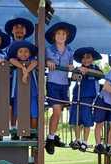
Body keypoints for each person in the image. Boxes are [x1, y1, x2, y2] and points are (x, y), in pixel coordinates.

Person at [45, 22, 76, 154]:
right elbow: (44, 60)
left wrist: (71, 68)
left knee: (60, 112)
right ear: (54, 36)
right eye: (58, 33)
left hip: (65, 84)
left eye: (63, 34)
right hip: (53, 83)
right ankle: (50, 140)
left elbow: (71, 65)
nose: (61, 36)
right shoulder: (49, 49)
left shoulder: (70, 51)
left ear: (67, 36)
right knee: (56, 111)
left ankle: (53, 135)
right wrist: (48, 61)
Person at [5, 18, 36, 138]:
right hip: (10, 80)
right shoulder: (8, 47)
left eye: (21, 28)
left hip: (27, 81)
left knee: (27, 104)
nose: (19, 30)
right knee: (12, 105)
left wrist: (25, 70)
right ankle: (13, 130)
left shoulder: (30, 47)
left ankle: (27, 131)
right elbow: (8, 60)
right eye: (16, 27)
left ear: (25, 31)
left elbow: (35, 62)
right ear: (12, 30)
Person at [69, 47, 102, 152]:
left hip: (88, 97)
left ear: (92, 59)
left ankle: (85, 141)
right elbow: (73, 77)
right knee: (75, 118)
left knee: (87, 119)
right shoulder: (79, 68)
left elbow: (101, 75)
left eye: (88, 57)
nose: (85, 60)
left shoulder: (95, 68)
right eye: (83, 58)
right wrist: (76, 71)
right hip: (76, 96)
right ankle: (77, 139)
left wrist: (88, 70)